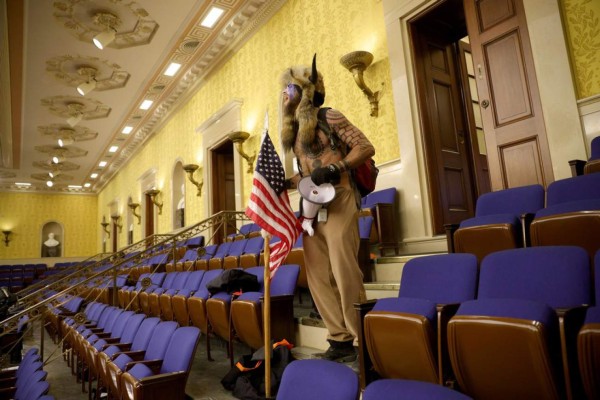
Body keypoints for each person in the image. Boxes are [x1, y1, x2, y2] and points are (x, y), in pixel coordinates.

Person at [280, 55, 375, 362]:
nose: (286, 97)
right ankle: (339, 338)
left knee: (344, 269)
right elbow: (306, 173)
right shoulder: (295, 135)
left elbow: (365, 146)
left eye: (291, 91)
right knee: (319, 274)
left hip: (341, 196)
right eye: (285, 93)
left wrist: (338, 168)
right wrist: (285, 182)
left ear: (305, 93)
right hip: (311, 205)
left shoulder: (330, 117)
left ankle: (364, 338)